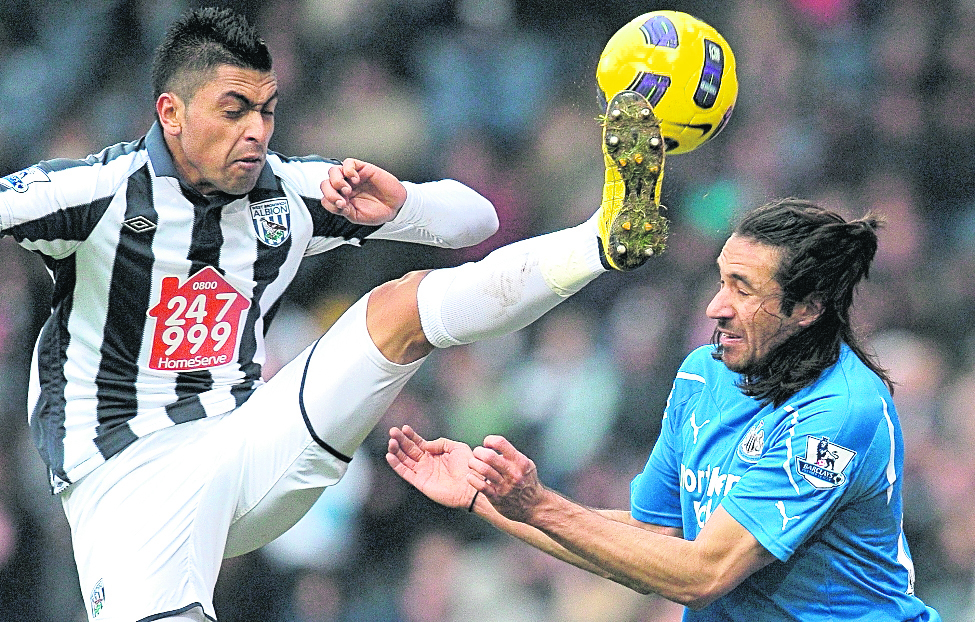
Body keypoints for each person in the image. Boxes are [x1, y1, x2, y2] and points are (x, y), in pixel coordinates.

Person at [0, 7, 666, 622]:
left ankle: (601, 237)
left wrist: (405, 204)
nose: (255, 131)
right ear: (171, 113)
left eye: (265, 110)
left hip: (244, 443)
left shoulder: (288, 193)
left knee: (399, 309)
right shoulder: (94, 192)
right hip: (129, 483)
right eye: (233, 110)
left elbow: (477, 222)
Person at [387, 199, 943, 621]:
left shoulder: (840, 412)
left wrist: (536, 506)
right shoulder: (703, 374)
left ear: (806, 310)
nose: (715, 307)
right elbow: (655, 543)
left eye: (743, 290)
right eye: (721, 279)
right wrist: (489, 500)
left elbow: (704, 572)